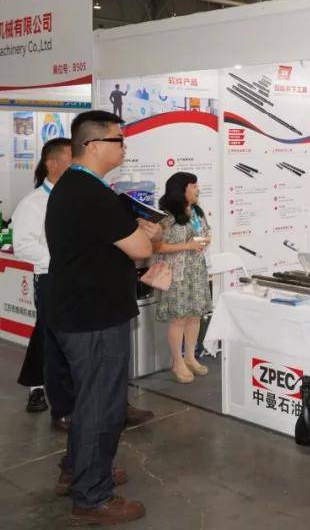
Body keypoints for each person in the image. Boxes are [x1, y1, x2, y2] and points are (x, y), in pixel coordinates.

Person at [45, 110, 162, 525]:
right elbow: (140, 249)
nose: (124, 147)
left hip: (80, 311)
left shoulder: (77, 187)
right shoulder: (90, 193)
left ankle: (77, 470)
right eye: (119, 140)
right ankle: (93, 496)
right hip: (93, 317)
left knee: (90, 399)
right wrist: (148, 236)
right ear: (94, 146)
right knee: (101, 405)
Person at [13, 139, 74, 418]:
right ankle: (42, 390)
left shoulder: (77, 197)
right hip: (51, 277)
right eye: (72, 160)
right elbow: (24, 246)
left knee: (60, 336)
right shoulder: (33, 203)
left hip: (78, 277)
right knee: (50, 336)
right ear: (52, 163)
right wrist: (62, 262)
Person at [150, 172, 213, 384]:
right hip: (177, 274)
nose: (197, 189)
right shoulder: (166, 216)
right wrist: (188, 245)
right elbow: (157, 247)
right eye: (193, 186)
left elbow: (206, 233)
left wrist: (205, 239)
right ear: (181, 189)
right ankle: (177, 363)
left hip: (197, 271)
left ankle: (190, 358)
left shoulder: (196, 211)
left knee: (195, 316)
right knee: (179, 319)